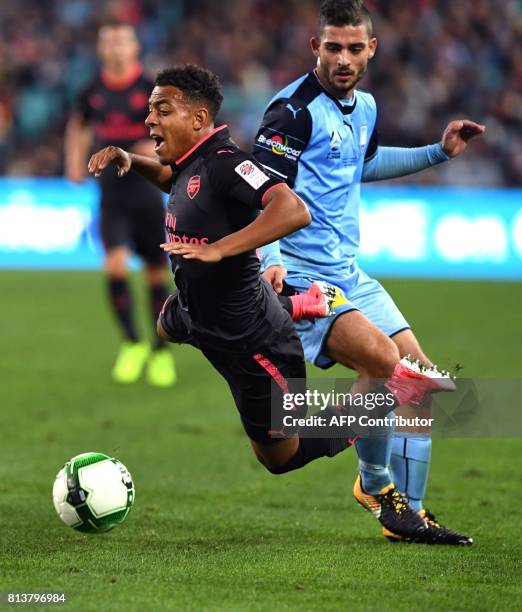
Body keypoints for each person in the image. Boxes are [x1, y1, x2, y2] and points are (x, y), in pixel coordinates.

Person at [88, 64, 455, 542]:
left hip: (251, 340)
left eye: (162, 109)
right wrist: (131, 160)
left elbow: (291, 208)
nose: (150, 120)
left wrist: (223, 247)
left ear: (199, 119)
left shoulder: (226, 163)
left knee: (279, 457)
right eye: (150, 109)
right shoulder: (191, 162)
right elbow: (174, 181)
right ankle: (300, 306)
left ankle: (377, 418)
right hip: (201, 316)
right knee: (163, 324)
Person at [253, 0, 485, 544]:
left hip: (350, 272)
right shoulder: (291, 111)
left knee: (419, 380)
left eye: (354, 48)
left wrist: (438, 152)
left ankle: (410, 515)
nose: (343, 59)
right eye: (333, 47)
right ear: (316, 47)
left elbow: (363, 162)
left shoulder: (367, 107)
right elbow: (260, 189)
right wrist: (272, 259)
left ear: (371, 49)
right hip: (304, 276)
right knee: (385, 370)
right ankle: (377, 484)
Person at [65, 22, 176, 387]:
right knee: (114, 266)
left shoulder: (149, 89)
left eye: (121, 42)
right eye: (108, 42)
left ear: (134, 47)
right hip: (111, 195)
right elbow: (78, 123)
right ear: (101, 48)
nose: (114, 48)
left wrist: (153, 149)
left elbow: (171, 131)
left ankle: (160, 352)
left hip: (146, 194)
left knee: (154, 274)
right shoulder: (92, 90)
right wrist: (74, 160)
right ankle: (132, 343)